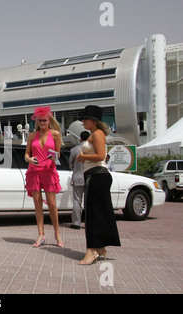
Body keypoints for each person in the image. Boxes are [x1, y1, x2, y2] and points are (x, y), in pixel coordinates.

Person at [76, 105, 121, 265]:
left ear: (93, 120)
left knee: (94, 215)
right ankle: (99, 247)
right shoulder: (93, 134)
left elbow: (102, 155)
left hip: (99, 175)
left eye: (85, 118)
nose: (83, 121)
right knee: (95, 213)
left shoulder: (98, 134)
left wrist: (83, 158)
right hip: (93, 176)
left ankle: (92, 250)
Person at [24, 106, 64, 248]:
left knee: (52, 204)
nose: (42, 123)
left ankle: (57, 233)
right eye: (39, 120)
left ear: (49, 120)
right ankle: (41, 234)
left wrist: (53, 156)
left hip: (48, 170)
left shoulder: (55, 134)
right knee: (37, 202)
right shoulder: (31, 136)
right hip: (34, 171)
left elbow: (58, 154)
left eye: (44, 120)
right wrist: (29, 159)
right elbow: (26, 154)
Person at [69, 131, 90, 229]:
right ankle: (89, 223)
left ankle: (76, 223)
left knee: (77, 201)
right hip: (90, 177)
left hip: (78, 177)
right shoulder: (92, 149)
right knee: (89, 201)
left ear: (80, 138)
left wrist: (76, 169)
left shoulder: (74, 150)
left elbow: (71, 164)